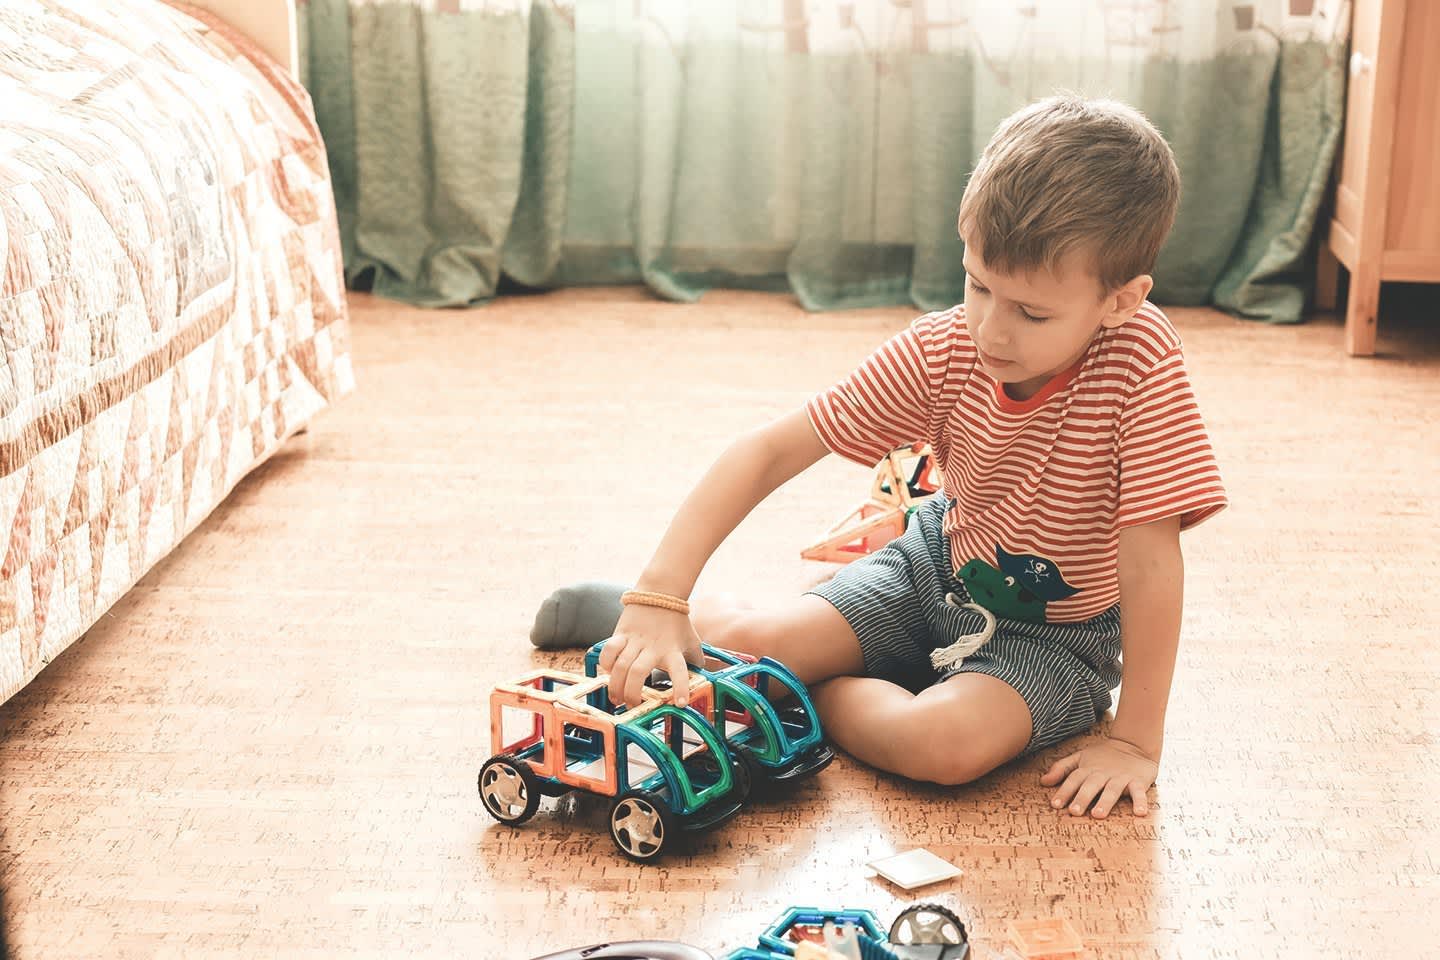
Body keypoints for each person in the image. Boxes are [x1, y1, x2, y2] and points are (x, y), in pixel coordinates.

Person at [530, 95, 1227, 819]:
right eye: (977, 283)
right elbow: (771, 450)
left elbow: (1150, 560)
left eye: (1032, 312)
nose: (990, 328)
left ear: (1121, 301)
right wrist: (657, 591)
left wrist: (1138, 742)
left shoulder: (1141, 360)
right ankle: (643, 615)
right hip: (931, 570)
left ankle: (805, 684)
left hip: (1057, 639)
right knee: (752, 644)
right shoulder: (944, 346)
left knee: (942, 744)